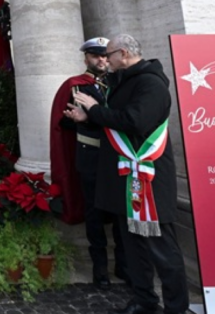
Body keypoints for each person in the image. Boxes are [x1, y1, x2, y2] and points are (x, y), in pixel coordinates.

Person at [66, 34, 188, 314]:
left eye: (109, 54)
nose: (105, 60)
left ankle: (176, 307)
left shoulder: (151, 83)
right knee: (134, 246)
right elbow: (116, 124)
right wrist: (88, 118)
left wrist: (95, 109)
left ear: (123, 53)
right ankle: (145, 300)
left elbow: (135, 121)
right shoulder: (122, 81)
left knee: (161, 249)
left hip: (148, 178)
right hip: (125, 177)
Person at [50, 37, 127, 290]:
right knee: (94, 213)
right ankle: (100, 268)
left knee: (120, 213)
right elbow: (64, 123)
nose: (101, 60)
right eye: (96, 56)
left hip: (119, 156)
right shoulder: (76, 85)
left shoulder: (119, 83)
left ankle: (123, 265)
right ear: (86, 58)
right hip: (92, 156)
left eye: (104, 56)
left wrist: (91, 116)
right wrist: (81, 119)